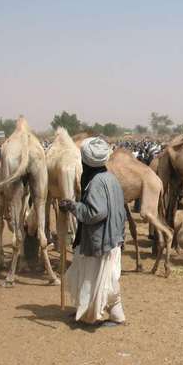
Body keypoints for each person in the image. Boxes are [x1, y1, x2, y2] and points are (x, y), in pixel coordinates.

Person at [59, 137, 127, 325]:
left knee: (97, 278)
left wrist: (73, 207)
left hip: (100, 239)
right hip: (111, 237)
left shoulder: (96, 182)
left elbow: (96, 213)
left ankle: (98, 315)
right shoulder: (110, 178)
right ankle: (95, 311)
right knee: (100, 277)